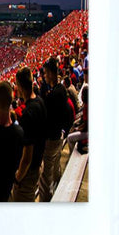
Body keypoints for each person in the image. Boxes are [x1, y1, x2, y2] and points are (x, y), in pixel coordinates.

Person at [38, 56, 74, 201]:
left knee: (45, 176)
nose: (44, 76)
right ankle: (58, 185)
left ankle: (47, 202)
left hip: (51, 138)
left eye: (46, 73)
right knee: (55, 166)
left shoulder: (55, 93)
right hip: (58, 135)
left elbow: (46, 114)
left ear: (52, 73)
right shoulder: (59, 90)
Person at [11, 67, 48, 202]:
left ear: (19, 86)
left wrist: (18, 177)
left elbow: (27, 155)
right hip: (38, 163)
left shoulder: (28, 113)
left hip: (29, 172)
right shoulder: (40, 101)